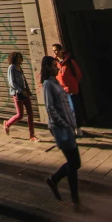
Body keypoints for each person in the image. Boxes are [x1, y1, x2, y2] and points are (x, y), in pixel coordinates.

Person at [42, 55, 81, 208]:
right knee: (73, 162)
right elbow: (50, 109)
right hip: (60, 128)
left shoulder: (56, 82)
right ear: (46, 67)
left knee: (74, 163)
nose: (57, 67)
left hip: (67, 127)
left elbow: (65, 105)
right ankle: (75, 201)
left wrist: (73, 124)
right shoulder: (47, 84)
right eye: (53, 65)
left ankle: (54, 180)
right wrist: (64, 124)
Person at [3, 51, 39, 142]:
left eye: (20, 57)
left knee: (30, 113)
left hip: (25, 92)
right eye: (17, 57)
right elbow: (12, 82)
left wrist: (27, 91)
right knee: (20, 115)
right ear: (13, 58)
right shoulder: (11, 68)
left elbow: (23, 81)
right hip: (17, 93)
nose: (19, 59)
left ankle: (32, 135)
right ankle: (7, 124)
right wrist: (20, 90)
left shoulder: (20, 67)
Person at [52, 43, 84, 137]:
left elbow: (78, 74)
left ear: (61, 50)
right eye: (54, 51)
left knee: (74, 109)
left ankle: (77, 128)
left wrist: (73, 84)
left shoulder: (70, 62)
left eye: (56, 50)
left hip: (71, 90)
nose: (55, 52)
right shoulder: (55, 63)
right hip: (61, 91)